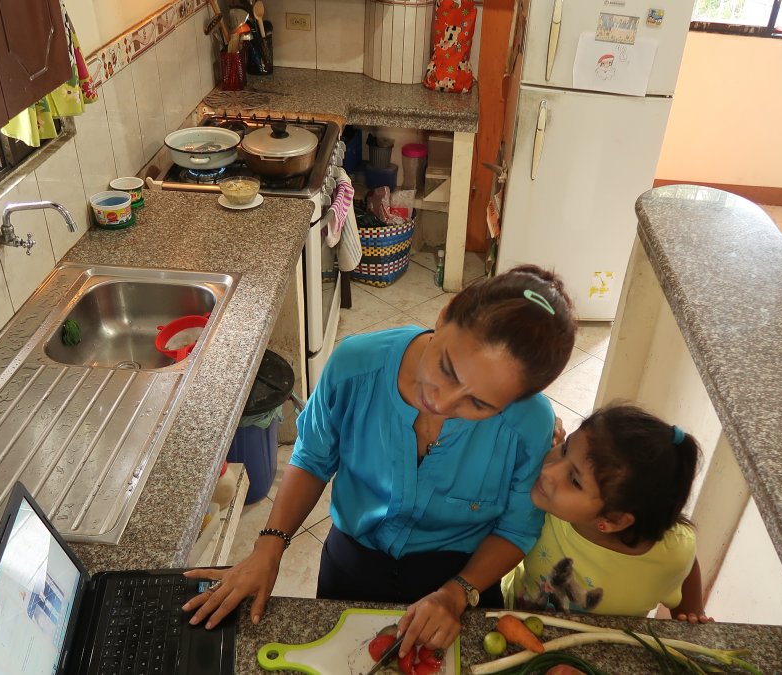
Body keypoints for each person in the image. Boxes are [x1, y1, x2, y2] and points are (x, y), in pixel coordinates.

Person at [184, 265, 578, 656]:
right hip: (353, 563)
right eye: (447, 368)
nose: (441, 402)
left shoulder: (529, 426)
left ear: (517, 400)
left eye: (479, 403)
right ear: (445, 315)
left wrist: (458, 593)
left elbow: (516, 529)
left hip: (463, 575)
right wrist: (268, 548)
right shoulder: (355, 365)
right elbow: (313, 458)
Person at [502, 404, 712, 623]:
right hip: (509, 617)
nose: (547, 471)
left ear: (614, 519)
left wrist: (692, 616)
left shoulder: (671, 554)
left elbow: (685, 565)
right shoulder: (542, 504)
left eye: (574, 480)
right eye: (565, 449)